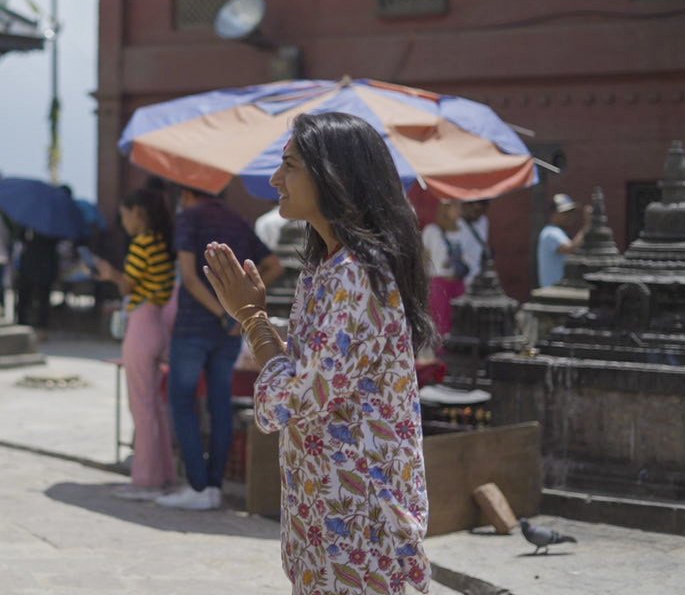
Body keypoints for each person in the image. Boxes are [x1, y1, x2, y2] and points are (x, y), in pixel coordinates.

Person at [203, 112, 433, 595]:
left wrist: (252, 320)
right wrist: (260, 323)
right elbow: (313, 378)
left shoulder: (356, 274)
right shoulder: (325, 269)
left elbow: (289, 399)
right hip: (325, 512)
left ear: (334, 176)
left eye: (289, 166)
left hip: (361, 525)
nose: (274, 180)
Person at [156, 186, 284, 510]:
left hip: (193, 327)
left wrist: (221, 309)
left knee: (182, 401)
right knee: (220, 405)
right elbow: (274, 265)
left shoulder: (189, 218)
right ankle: (214, 485)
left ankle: (198, 486)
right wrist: (237, 311)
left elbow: (188, 276)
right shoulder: (238, 220)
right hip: (228, 332)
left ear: (186, 193)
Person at [94, 188, 178, 500]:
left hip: (142, 323)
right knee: (155, 405)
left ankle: (145, 479)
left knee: (141, 406)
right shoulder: (161, 242)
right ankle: (163, 474)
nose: (123, 221)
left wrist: (109, 274)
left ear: (138, 213)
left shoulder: (142, 243)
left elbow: (129, 284)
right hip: (157, 322)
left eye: (125, 214)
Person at [421, 200, 467, 337]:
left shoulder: (463, 230)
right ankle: (441, 351)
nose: (459, 210)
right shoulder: (431, 231)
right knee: (440, 318)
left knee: (459, 318)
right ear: (445, 209)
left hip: (458, 281)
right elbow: (425, 257)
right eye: (456, 207)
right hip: (439, 281)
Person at [537, 194, 592, 288]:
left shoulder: (556, 231)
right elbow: (571, 248)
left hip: (557, 290)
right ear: (553, 214)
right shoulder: (551, 232)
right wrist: (587, 224)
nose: (570, 216)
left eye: (571, 212)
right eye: (565, 212)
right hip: (553, 293)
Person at [15, 228, 60, 337]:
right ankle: (22, 324)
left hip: (43, 266)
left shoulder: (51, 229)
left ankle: (40, 327)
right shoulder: (28, 226)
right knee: (25, 297)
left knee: (42, 299)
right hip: (31, 266)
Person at [457, 199, 491, 285]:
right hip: (459, 278)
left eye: (481, 211)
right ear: (465, 206)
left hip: (477, 278)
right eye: (476, 210)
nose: (478, 214)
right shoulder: (456, 223)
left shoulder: (484, 221)